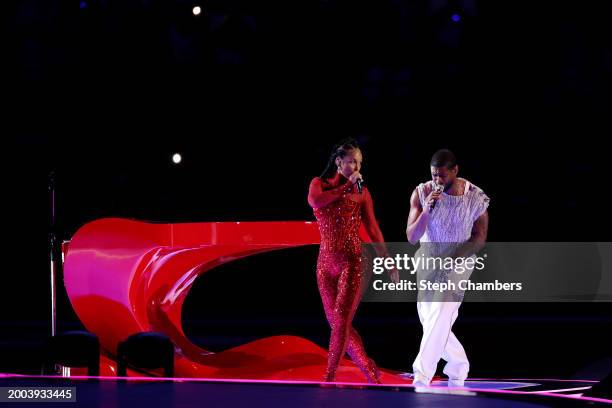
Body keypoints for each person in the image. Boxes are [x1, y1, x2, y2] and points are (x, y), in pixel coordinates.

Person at [308, 138, 398, 383]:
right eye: (351, 162)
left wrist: (387, 260)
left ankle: (329, 375)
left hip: (353, 261)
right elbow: (316, 202)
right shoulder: (319, 184)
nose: (356, 167)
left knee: (342, 321)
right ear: (338, 162)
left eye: (359, 162)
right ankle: (370, 371)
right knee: (336, 323)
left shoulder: (363, 193)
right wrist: (345, 187)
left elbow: (373, 229)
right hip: (325, 264)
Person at [406, 149, 489, 388]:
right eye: (434, 175)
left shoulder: (474, 196)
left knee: (441, 313)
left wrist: (454, 258)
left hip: (459, 261)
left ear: (455, 171)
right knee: (431, 320)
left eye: (442, 175)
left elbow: (480, 236)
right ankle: (458, 364)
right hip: (428, 259)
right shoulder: (421, 193)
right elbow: (412, 237)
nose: (438, 181)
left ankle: (421, 375)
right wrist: (426, 211)